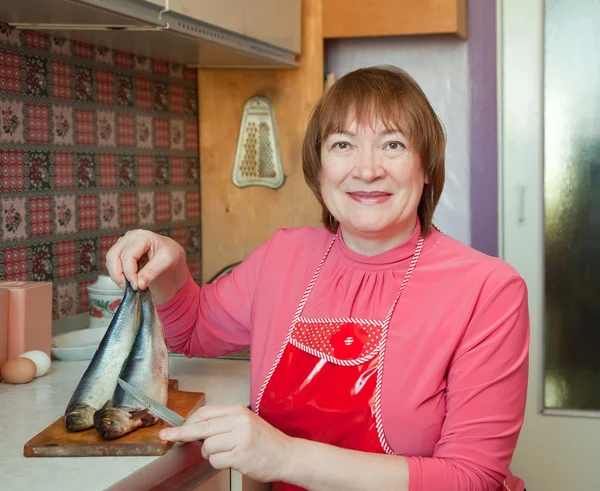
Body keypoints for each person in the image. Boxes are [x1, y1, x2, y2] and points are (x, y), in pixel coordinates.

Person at [106, 65, 530, 491]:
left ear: (426, 168)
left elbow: (472, 480)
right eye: (343, 144)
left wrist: (283, 457)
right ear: (319, 167)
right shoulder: (284, 255)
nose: (367, 170)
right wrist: (170, 267)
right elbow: (194, 331)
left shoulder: (488, 290)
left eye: (393, 145)